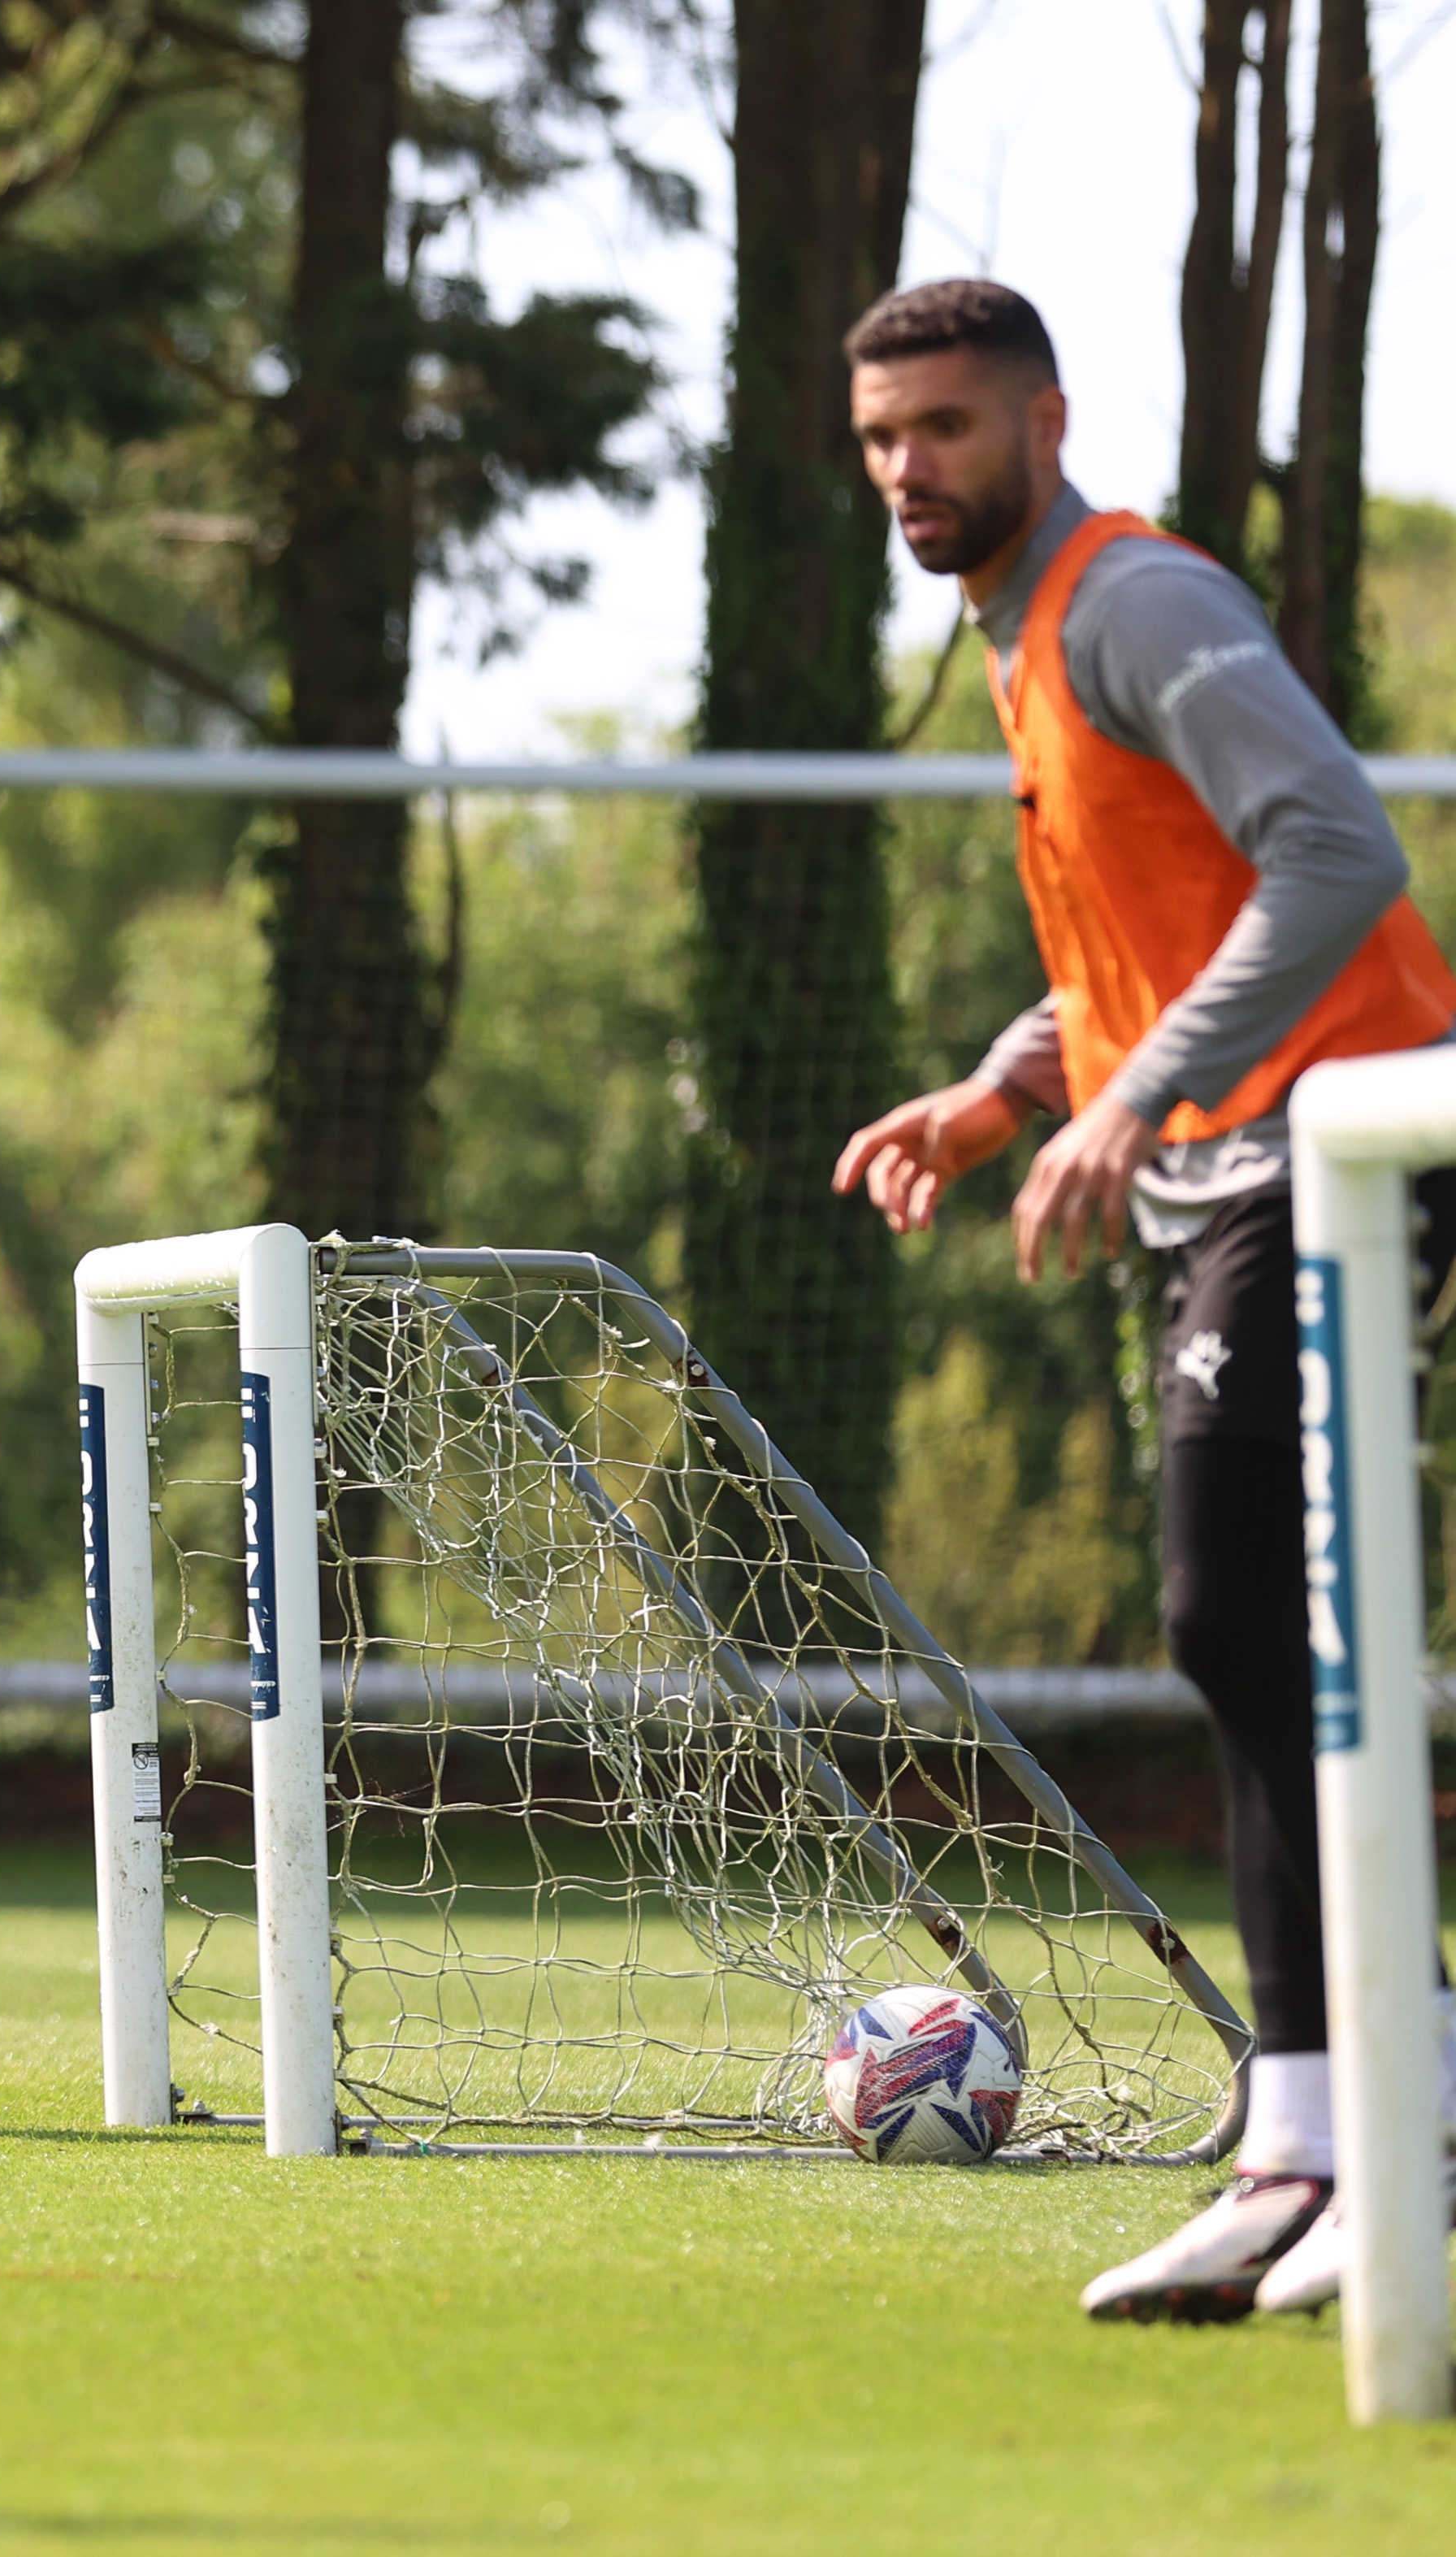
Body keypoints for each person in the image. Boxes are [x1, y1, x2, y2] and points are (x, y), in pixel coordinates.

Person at [832, 277, 1456, 2323]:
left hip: (1346, 1139)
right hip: (1234, 1159)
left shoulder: (1136, 601)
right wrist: (1016, 1085)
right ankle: (1310, 2140)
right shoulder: (1017, 638)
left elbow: (1335, 855)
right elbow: (1151, 923)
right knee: (1242, 1624)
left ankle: (1392, 2109)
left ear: (1043, 421)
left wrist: (1127, 1094)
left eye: (942, 425)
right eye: (879, 437)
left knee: (1233, 1609)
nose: (908, 467)